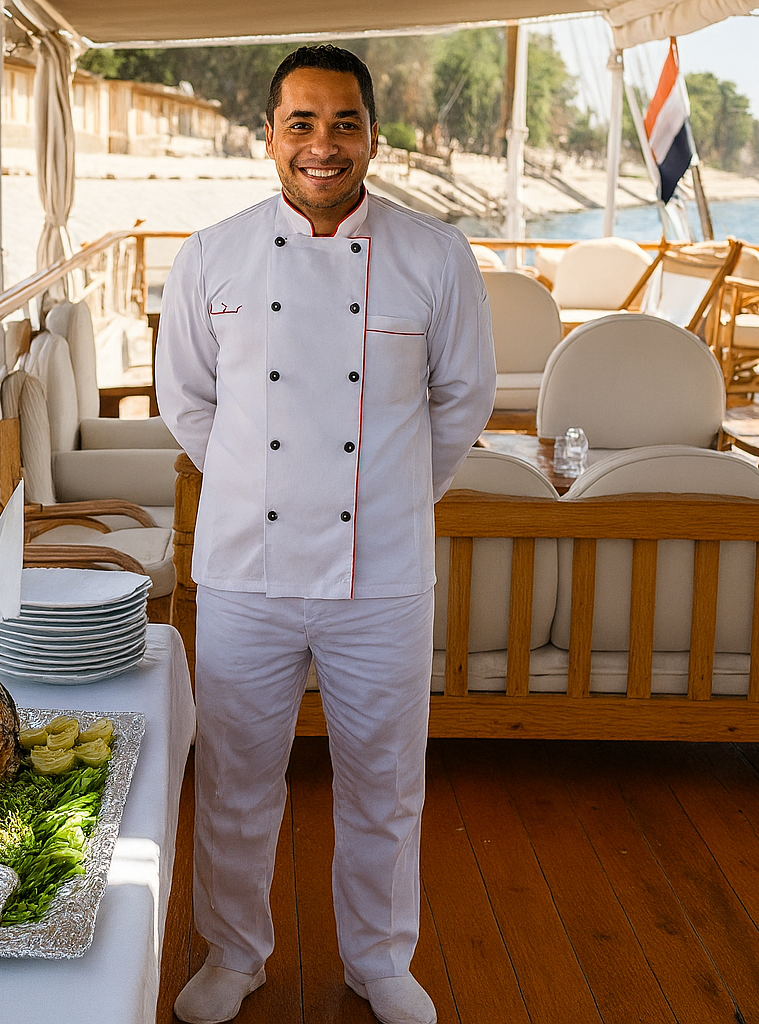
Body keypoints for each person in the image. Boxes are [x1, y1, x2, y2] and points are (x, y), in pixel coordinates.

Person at [155, 44, 495, 1024]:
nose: (322, 144)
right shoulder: (210, 254)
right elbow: (191, 405)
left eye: (344, 122)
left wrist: (387, 491)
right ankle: (234, 951)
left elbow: (461, 403)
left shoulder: (436, 254)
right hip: (242, 568)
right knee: (233, 778)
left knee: (385, 780)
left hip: (382, 569)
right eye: (300, 122)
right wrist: (256, 482)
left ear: (373, 137)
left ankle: (380, 960)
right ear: (268, 136)